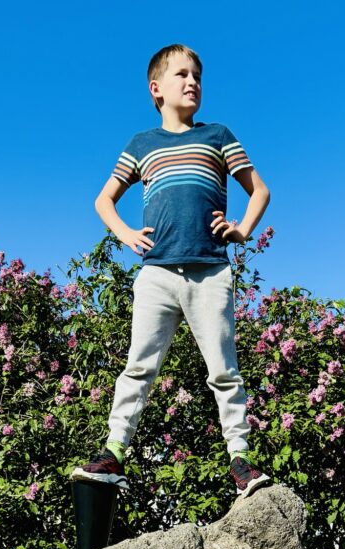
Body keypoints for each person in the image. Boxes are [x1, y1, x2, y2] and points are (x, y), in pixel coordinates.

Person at [72, 43, 272, 499]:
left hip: (210, 272)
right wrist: (125, 233)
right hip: (157, 273)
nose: (193, 82)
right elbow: (104, 199)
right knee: (138, 367)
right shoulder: (141, 145)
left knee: (224, 371)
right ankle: (114, 452)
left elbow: (259, 190)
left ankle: (240, 460)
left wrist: (241, 229)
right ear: (156, 88)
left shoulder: (218, 136)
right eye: (182, 74)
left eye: (198, 75)